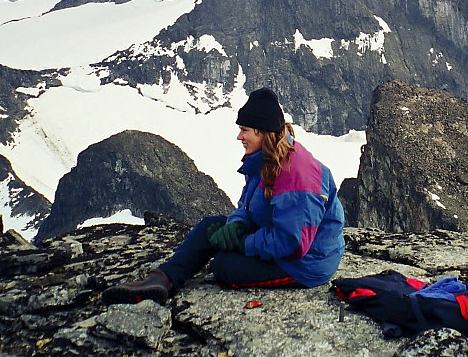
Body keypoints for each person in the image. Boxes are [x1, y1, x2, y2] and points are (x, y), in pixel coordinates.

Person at [102, 87, 345, 305]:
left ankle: (173, 279)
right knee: (211, 227)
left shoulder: (297, 176)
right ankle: (161, 280)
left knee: (225, 267)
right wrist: (237, 224)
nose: (239, 137)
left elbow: (293, 243)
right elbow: (247, 205)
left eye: (244, 130)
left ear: (262, 132)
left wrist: (244, 243)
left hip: (305, 264)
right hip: (278, 237)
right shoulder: (265, 160)